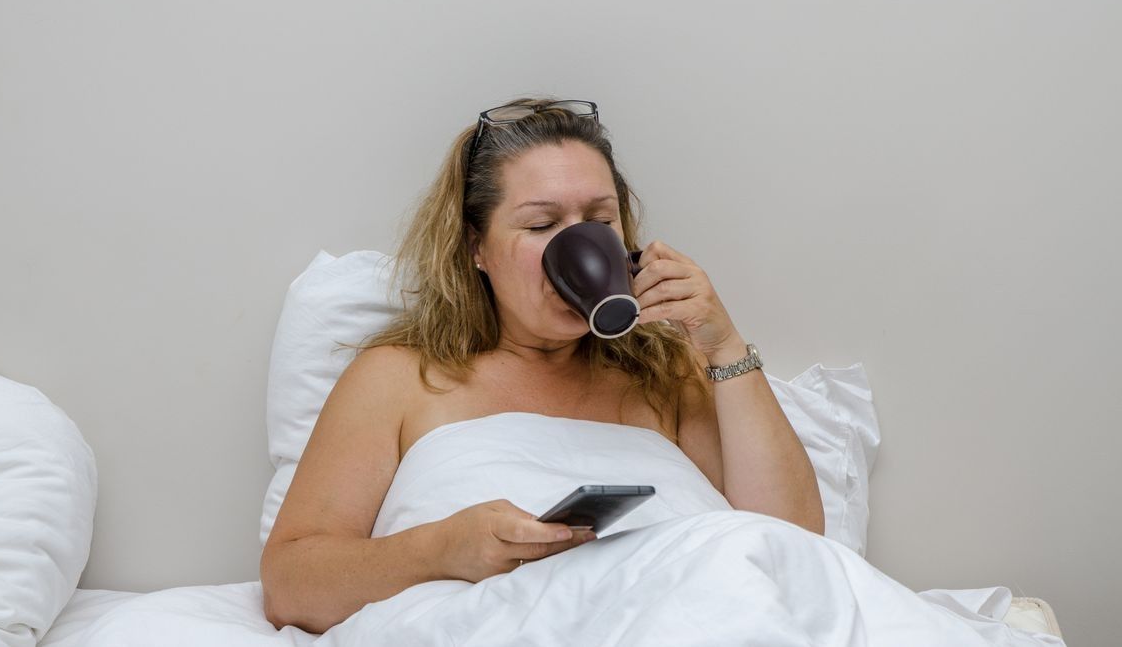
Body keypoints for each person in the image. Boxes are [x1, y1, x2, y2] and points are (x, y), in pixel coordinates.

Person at [259, 97, 824, 633]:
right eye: (540, 225)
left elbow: (792, 545)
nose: (578, 245)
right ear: (476, 248)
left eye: (599, 221)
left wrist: (723, 347)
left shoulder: (663, 374)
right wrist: (441, 549)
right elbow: (291, 583)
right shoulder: (399, 378)